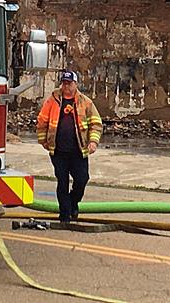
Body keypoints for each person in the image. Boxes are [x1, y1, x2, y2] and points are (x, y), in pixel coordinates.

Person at [36, 69, 103, 223]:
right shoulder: (52, 101)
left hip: (79, 151)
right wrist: (43, 141)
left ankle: (73, 203)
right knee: (62, 181)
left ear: (76, 84)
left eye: (69, 83)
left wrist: (93, 142)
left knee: (82, 179)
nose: (66, 86)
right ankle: (65, 215)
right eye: (64, 83)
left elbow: (96, 124)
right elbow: (42, 121)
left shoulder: (85, 102)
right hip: (58, 151)